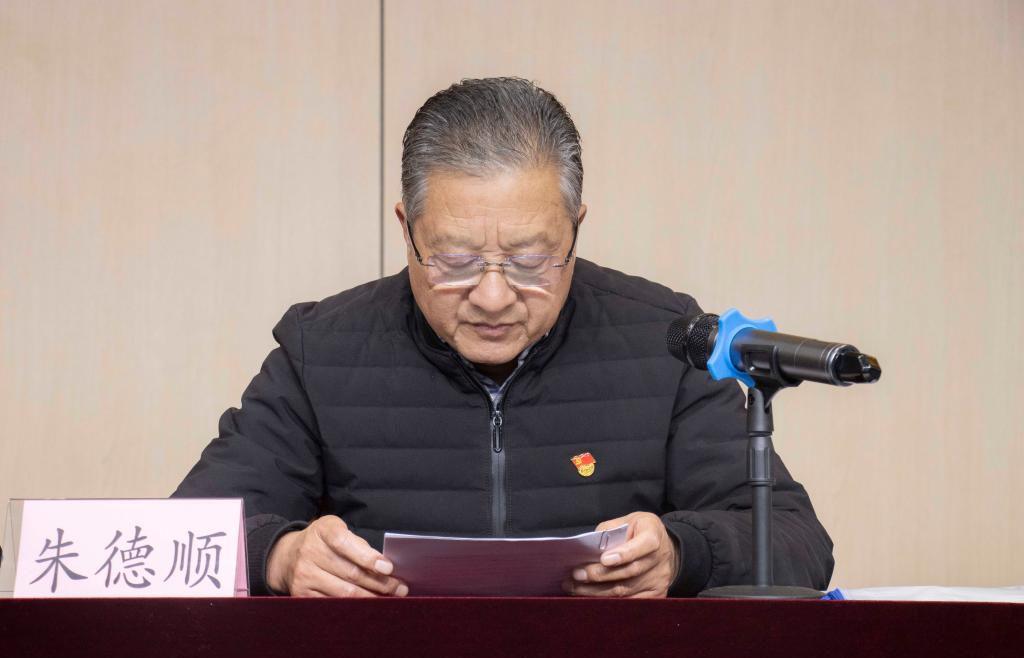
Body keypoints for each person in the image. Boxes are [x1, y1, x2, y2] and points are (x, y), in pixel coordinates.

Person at [173, 77, 833, 598]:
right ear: (407, 228)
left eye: (530, 260)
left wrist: (682, 553)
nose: (493, 296)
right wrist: (282, 556)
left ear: (576, 227)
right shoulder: (323, 351)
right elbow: (180, 537)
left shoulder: (662, 340)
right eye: (455, 261)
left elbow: (799, 543)